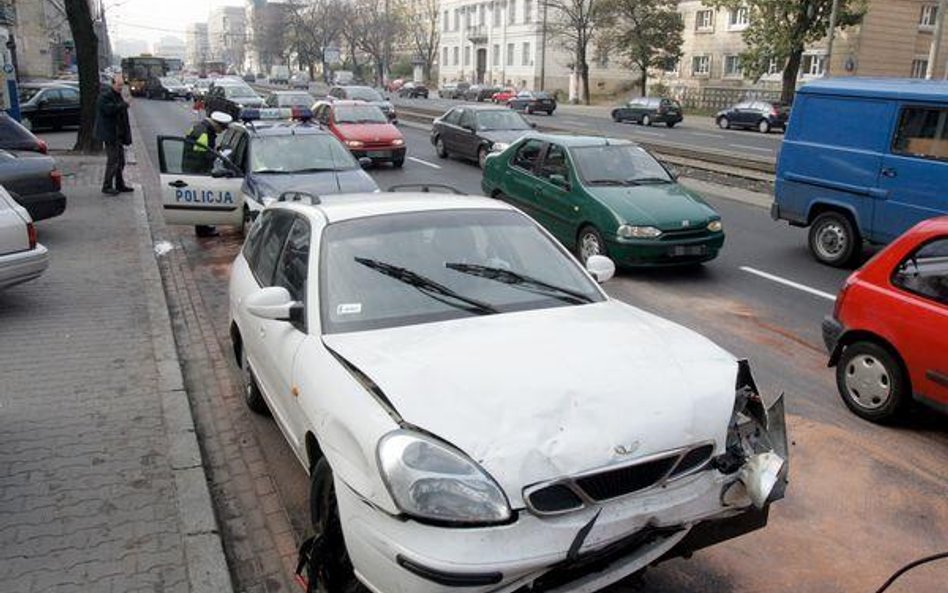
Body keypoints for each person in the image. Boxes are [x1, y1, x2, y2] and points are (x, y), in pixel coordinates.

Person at [182, 111, 233, 237]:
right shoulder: (204, 134)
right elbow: (201, 155)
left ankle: (203, 227)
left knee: (200, 202)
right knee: (202, 203)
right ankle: (202, 230)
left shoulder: (201, 128)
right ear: (217, 124)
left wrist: (214, 151)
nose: (221, 131)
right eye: (222, 128)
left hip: (191, 169)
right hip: (197, 172)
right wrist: (216, 156)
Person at [94, 76, 133, 195]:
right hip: (110, 133)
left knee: (120, 160)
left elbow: (122, 116)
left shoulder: (117, 95)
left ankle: (120, 184)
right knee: (113, 160)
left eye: (122, 85)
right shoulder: (105, 96)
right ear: (113, 84)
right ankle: (107, 186)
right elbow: (109, 110)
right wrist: (124, 105)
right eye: (118, 85)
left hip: (118, 134)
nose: (120, 87)